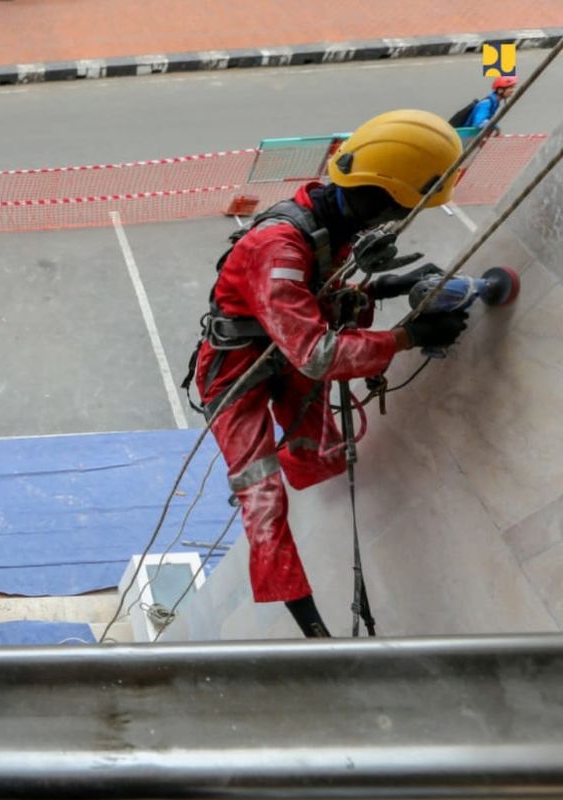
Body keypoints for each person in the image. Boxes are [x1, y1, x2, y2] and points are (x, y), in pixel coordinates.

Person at [188, 110, 470, 638]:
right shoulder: (279, 248)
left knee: (321, 449)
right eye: (392, 211)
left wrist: (379, 287)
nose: (387, 222)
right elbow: (317, 353)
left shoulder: (326, 215)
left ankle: (306, 472)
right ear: (374, 195)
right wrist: (407, 339)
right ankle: (312, 630)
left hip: (279, 348)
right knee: (262, 498)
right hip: (236, 375)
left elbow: (309, 305)